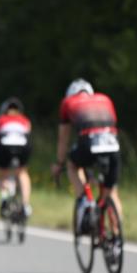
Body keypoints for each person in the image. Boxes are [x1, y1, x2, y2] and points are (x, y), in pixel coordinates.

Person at [52, 79, 123, 232]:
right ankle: (116, 239)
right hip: (112, 144)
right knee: (112, 192)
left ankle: (84, 200)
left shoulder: (68, 102)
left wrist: (59, 163)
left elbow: (63, 139)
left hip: (89, 143)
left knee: (72, 164)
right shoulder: (105, 99)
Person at [0, 97, 32, 218]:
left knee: (2, 173)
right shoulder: (25, 120)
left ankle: (4, 198)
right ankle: (25, 204)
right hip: (23, 145)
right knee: (22, 172)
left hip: (4, 144)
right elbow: (28, 136)